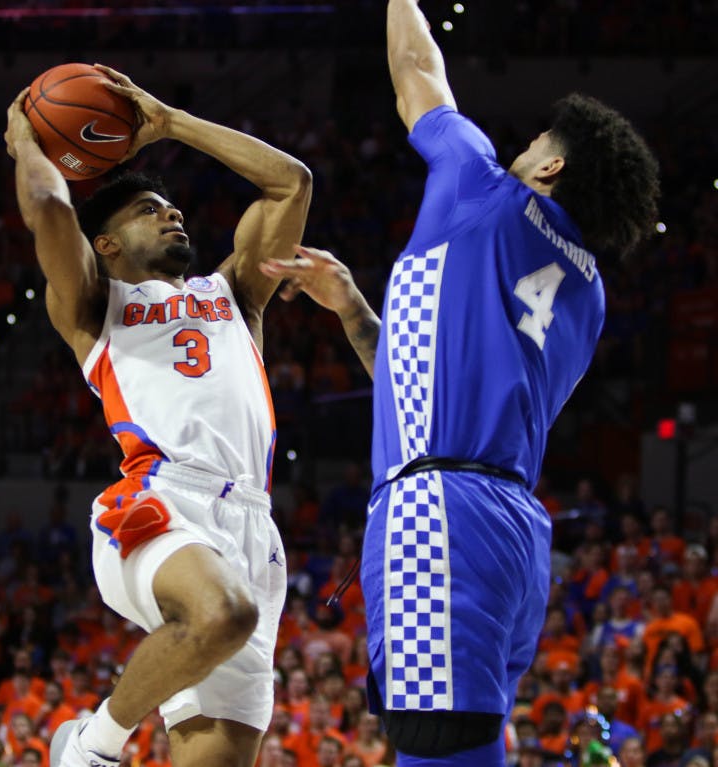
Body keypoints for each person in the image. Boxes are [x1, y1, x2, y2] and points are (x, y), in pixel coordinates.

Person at [260, 1, 660, 764]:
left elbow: (417, 73)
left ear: (551, 168)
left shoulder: (480, 187)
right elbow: (442, 394)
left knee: (439, 752)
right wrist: (353, 310)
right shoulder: (591, 294)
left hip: (435, 515)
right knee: (468, 747)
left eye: (536, 142)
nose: (521, 147)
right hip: (510, 527)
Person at [4, 62, 311, 767]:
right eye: (147, 209)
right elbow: (51, 211)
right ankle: (92, 746)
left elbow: (291, 182)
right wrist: (27, 139)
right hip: (158, 502)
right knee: (222, 612)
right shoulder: (95, 305)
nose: (170, 213)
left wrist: (168, 122)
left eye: (170, 207)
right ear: (105, 245)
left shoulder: (235, 292)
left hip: (254, 532)